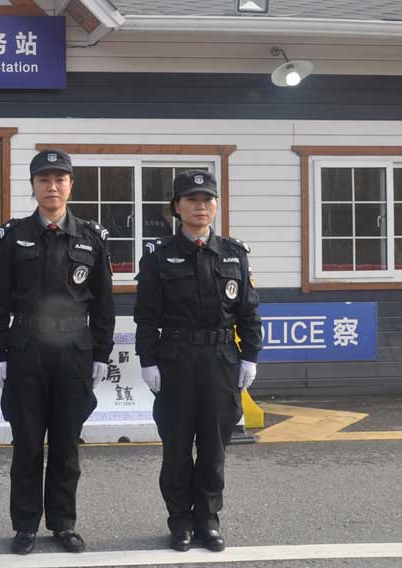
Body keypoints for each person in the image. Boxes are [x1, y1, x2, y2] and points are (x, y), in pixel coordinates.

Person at [0, 149, 115, 555]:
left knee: (66, 445)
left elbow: (104, 303)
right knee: (26, 444)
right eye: (44, 179)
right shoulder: (14, 236)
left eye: (60, 179)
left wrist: (101, 353)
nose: (52, 187)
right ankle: (25, 525)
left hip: (73, 352)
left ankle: (63, 523)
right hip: (26, 350)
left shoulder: (91, 237)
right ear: (34, 186)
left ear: (71, 185)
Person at [133, 169, 261, 553]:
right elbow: (146, 316)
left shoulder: (234, 254)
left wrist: (250, 356)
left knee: (214, 448)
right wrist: (147, 360)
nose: (200, 206)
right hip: (175, 361)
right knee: (176, 448)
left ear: (216, 205)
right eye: (191, 199)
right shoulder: (158, 256)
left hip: (221, 361)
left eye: (207, 199)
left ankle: (208, 520)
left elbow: (248, 312)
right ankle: (180, 522)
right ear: (177, 207)